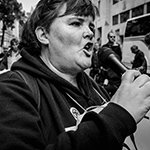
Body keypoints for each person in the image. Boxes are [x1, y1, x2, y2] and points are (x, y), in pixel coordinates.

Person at [0, 0, 150, 150]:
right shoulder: (12, 90)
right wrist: (118, 116)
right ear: (44, 35)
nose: (90, 33)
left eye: (91, 26)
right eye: (76, 23)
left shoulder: (93, 87)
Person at [100, 30, 122, 97]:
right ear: (108, 38)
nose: (113, 38)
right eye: (111, 37)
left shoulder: (117, 47)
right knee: (105, 86)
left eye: (114, 37)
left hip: (114, 71)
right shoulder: (105, 46)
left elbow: (119, 58)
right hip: (106, 70)